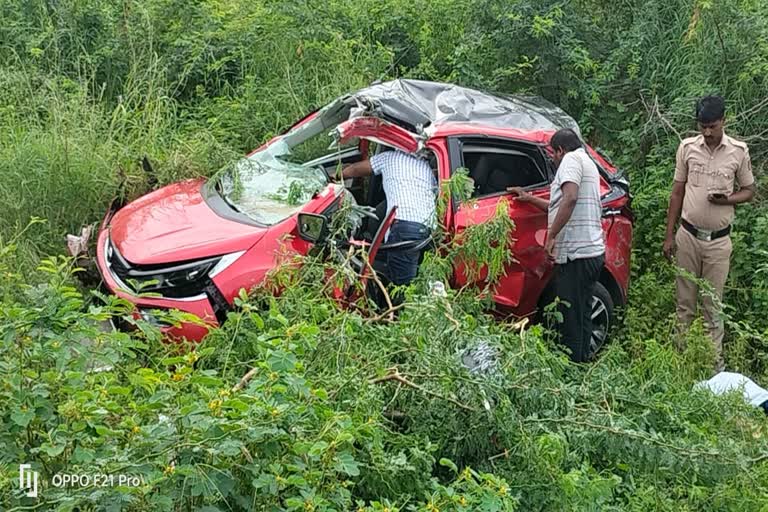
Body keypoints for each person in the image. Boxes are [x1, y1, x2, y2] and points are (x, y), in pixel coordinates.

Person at [663, 95, 755, 371]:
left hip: (718, 242)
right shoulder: (687, 148)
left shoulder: (738, 151)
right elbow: (677, 192)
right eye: (703, 126)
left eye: (712, 126)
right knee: (684, 304)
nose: (707, 132)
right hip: (688, 236)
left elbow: (750, 191)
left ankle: (713, 369)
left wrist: (727, 199)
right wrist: (669, 236)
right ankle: (680, 365)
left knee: (712, 307)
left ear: (723, 122)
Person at [508, 128, 605, 362]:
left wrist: (551, 236)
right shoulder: (587, 161)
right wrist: (529, 198)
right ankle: (581, 366)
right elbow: (560, 203)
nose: (552, 158)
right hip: (591, 252)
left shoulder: (570, 160)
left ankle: (571, 372)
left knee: (570, 317)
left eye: (553, 153)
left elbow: (570, 197)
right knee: (582, 315)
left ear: (561, 150)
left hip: (576, 255)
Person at [341, 147, 437, 286]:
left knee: (401, 287)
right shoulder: (425, 167)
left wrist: (339, 175)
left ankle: (401, 306)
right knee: (419, 280)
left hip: (404, 227)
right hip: (428, 229)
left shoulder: (389, 157)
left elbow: (357, 169)